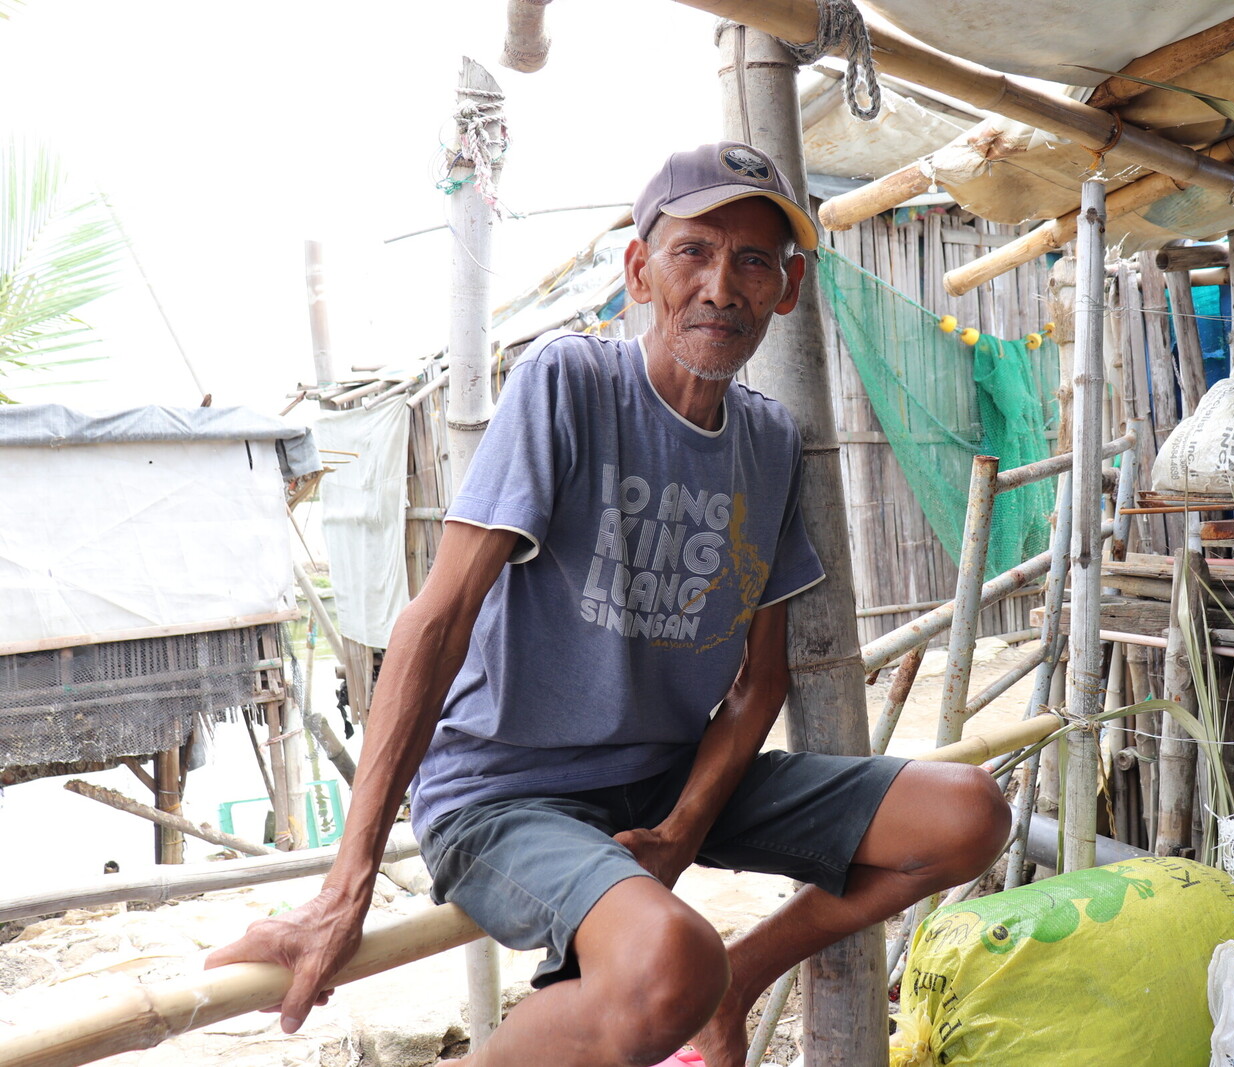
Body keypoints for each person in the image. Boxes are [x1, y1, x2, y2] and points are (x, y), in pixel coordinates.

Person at [208, 141, 1011, 1067]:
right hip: (508, 792)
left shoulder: (770, 440)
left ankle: (742, 977)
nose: (722, 285)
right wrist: (343, 887)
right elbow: (436, 620)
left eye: (754, 260)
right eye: (693, 252)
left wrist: (679, 831)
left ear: (785, 290)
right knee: (671, 960)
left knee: (968, 813)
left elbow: (761, 682)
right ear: (639, 270)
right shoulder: (573, 383)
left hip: (668, 776)